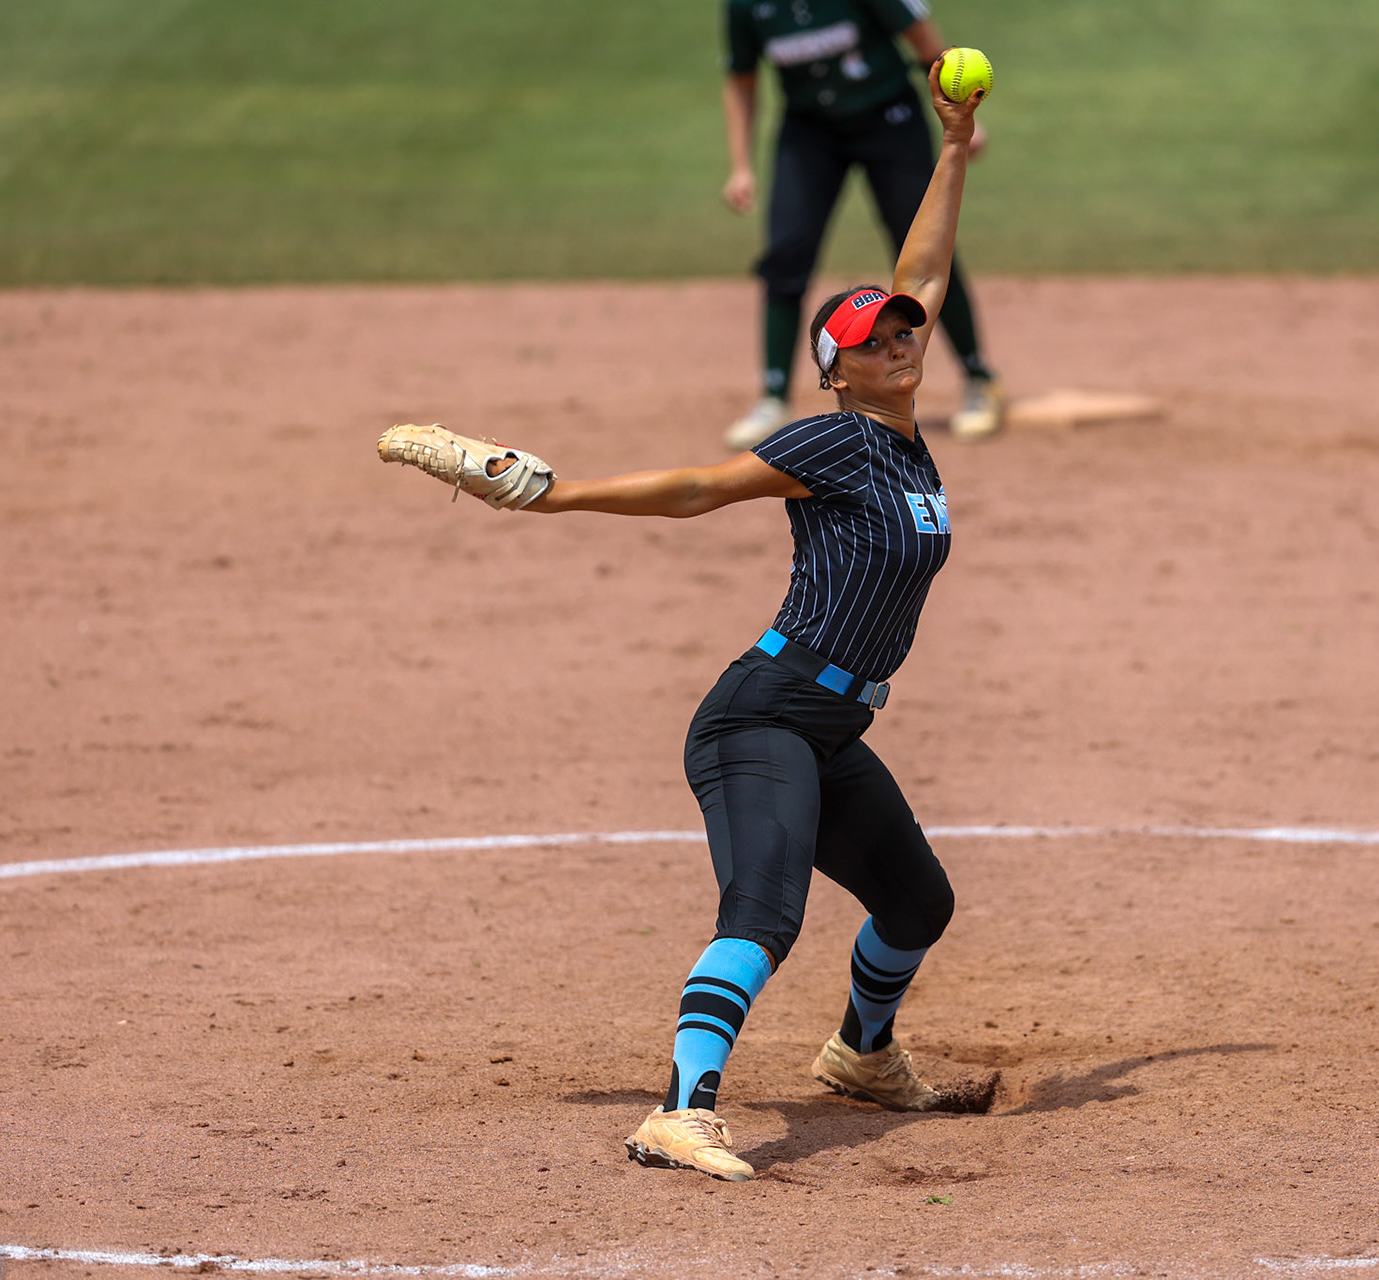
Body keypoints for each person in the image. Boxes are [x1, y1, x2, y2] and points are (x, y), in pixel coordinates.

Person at [375, 55, 987, 1182]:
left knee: (917, 899)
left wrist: (950, 150)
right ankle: (679, 1109)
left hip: (831, 724)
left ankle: (861, 1052)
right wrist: (558, 494)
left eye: (907, 329)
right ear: (835, 371)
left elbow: (926, 270)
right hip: (761, 715)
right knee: (766, 910)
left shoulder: (896, 432)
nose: (902, 337)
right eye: (875, 336)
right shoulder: (834, 439)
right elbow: (703, 486)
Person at [718, 0, 1003, 450]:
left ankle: (979, 377)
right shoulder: (746, 5)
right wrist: (740, 165)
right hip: (809, 131)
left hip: (889, 118)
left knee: (924, 247)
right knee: (787, 251)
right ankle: (772, 396)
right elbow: (740, 79)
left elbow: (926, 43)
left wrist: (971, 120)